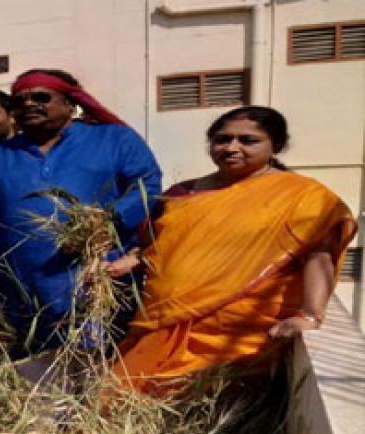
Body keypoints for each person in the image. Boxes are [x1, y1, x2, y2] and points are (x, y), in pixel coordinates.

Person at [114, 107, 356, 395]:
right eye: (222, 139)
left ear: (275, 146)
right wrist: (132, 259)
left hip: (240, 336)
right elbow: (162, 244)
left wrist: (310, 314)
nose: (232, 148)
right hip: (165, 322)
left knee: (215, 413)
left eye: (248, 140)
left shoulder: (302, 196)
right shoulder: (183, 193)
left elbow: (319, 256)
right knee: (125, 394)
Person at [0, 68, 162, 367]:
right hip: (22, 280)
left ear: (69, 103)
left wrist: (108, 219)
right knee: (35, 366)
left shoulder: (113, 139)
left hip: (96, 274)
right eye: (19, 100)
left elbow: (146, 186)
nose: (28, 105)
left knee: (100, 359)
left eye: (40, 97)